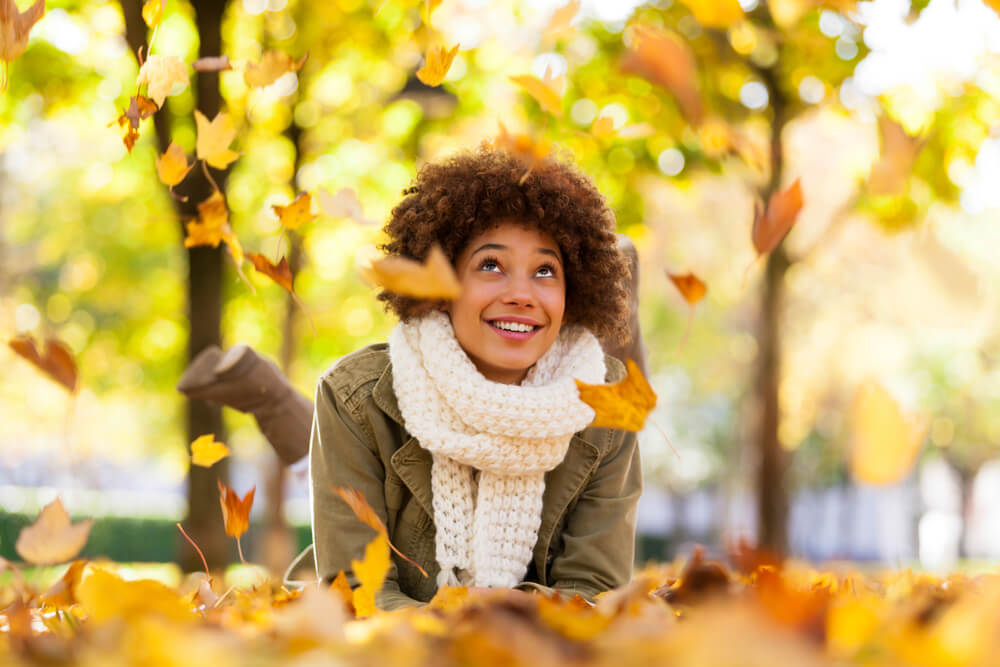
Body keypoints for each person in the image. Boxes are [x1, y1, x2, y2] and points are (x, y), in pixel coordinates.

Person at [179, 144, 644, 609]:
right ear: (439, 286)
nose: (521, 293)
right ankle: (269, 395)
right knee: (335, 445)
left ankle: (266, 392)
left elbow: (594, 591)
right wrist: (464, 626)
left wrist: (493, 619)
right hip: (403, 641)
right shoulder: (355, 396)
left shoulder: (607, 411)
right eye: (490, 265)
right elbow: (360, 593)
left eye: (546, 270)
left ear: (575, 290)